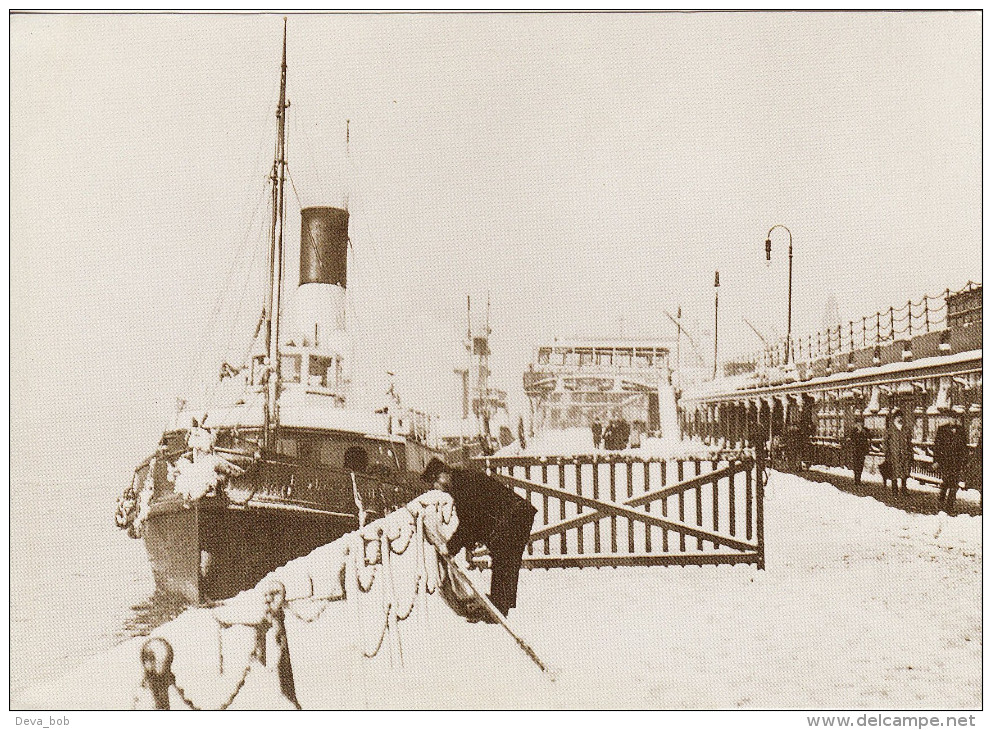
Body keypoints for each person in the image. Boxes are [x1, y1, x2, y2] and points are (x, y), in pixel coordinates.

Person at [422, 459, 536, 619]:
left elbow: (469, 522)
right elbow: (474, 518)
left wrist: (450, 547)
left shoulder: (463, 484)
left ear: (443, 475)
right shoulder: (461, 481)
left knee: (504, 559)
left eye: (435, 482)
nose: (436, 487)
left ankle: (499, 609)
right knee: (504, 559)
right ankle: (500, 606)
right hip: (515, 515)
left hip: (515, 516)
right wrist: (467, 543)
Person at [932, 414, 969, 507]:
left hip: (957, 461)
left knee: (954, 483)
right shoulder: (942, 429)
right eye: (952, 418)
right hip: (945, 461)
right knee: (946, 480)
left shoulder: (961, 431)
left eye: (956, 418)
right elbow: (937, 447)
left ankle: (950, 503)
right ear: (948, 418)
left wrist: (964, 460)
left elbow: (964, 447)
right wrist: (936, 461)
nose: (954, 420)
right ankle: (942, 494)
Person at [884, 409, 913, 495]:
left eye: (901, 417)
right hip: (894, 454)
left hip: (905, 453)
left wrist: (911, 453)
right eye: (897, 417)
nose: (900, 419)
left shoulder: (906, 429)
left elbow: (909, 442)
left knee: (905, 472)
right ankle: (894, 489)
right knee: (894, 472)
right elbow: (885, 442)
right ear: (894, 419)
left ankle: (904, 489)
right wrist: (887, 453)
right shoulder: (890, 429)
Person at [845, 422, 871, 487]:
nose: (858, 425)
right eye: (857, 424)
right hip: (855, 452)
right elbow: (851, 440)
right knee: (856, 466)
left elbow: (868, 439)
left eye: (860, 424)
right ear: (856, 425)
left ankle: (858, 478)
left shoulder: (865, 431)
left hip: (862, 452)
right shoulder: (853, 432)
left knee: (860, 466)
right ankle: (857, 480)